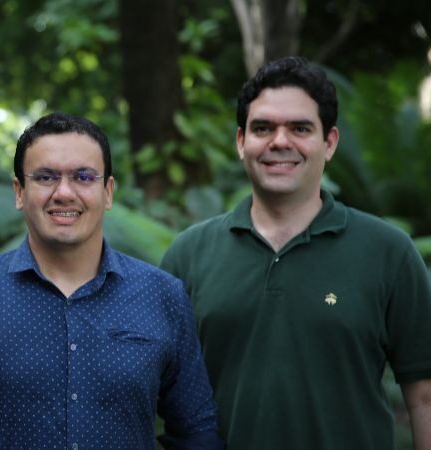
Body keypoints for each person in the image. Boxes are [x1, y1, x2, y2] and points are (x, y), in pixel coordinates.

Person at [0, 112, 224, 449]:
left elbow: (197, 432)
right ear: (19, 192)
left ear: (108, 192)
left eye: (83, 177)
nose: (64, 193)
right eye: (45, 177)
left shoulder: (160, 295)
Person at [160, 56, 431, 450]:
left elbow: (424, 396)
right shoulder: (188, 254)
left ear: (329, 143)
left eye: (300, 128)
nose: (280, 141)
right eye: (263, 128)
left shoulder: (389, 253)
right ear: (241, 142)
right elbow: (155, 393)